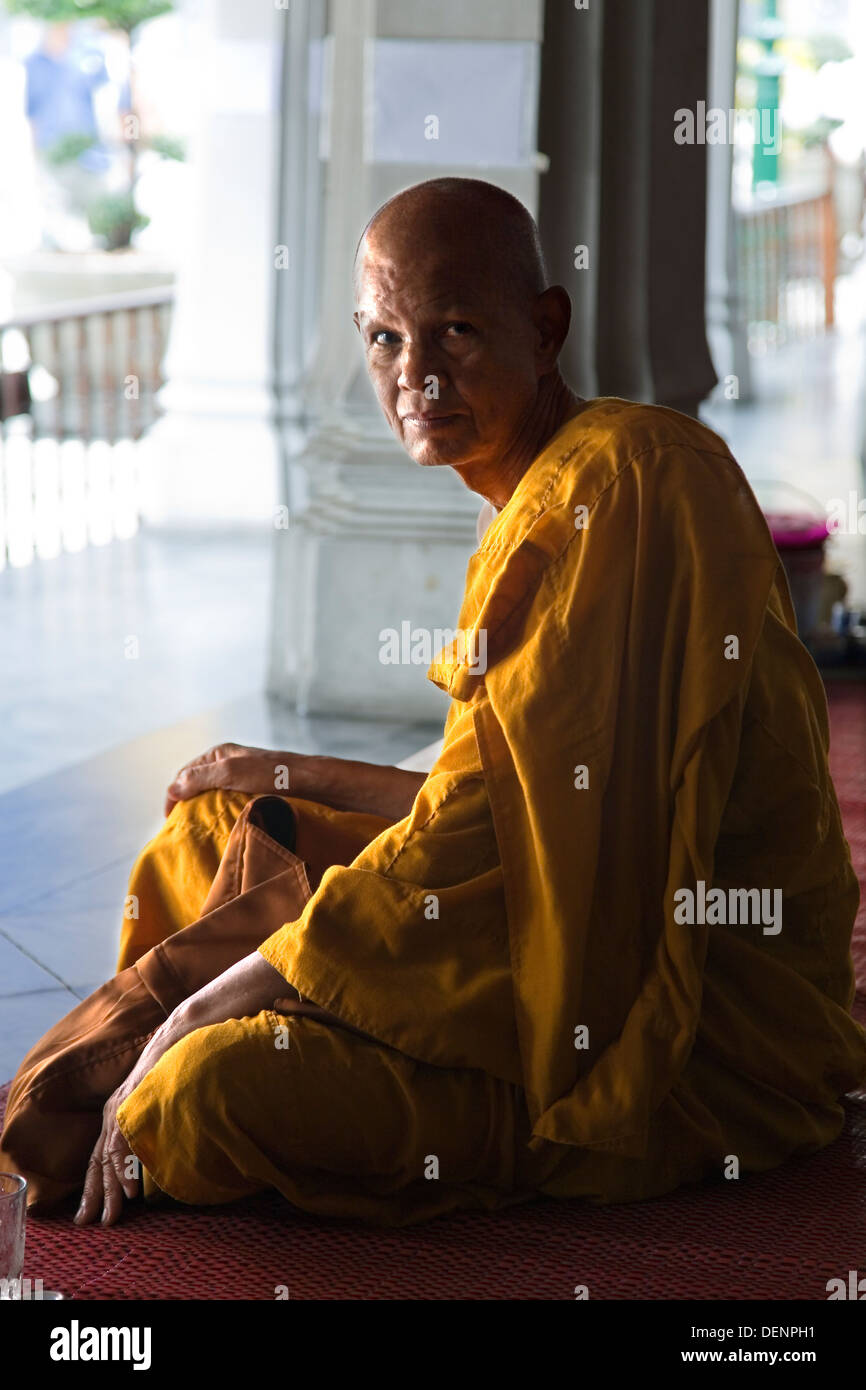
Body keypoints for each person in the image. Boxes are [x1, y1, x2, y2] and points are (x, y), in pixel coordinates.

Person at [2, 178, 864, 1229]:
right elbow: (514, 798)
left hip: (666, 1028)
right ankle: (190, 1045)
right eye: (383, 338)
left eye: (453, 330)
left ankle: (171, 1060)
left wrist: (208, 1002)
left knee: (201, 1094)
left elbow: (476, 832)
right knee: (213, 829)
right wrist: (286, 772)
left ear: (543, 328)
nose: (414, 373)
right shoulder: (530, 490)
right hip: (543, 933)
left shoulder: (628, 477)